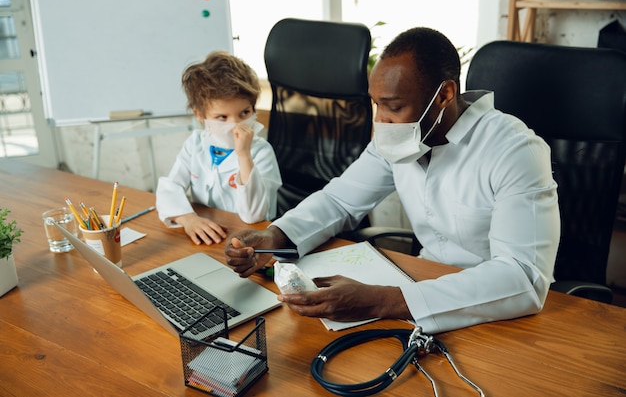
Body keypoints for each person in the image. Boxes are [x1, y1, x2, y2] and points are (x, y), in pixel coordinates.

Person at [224, 27, 560, 333]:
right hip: (420, 289)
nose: (381, 120)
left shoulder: (514, 151)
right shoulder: (401, 136)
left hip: (496, 309)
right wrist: (275, 237)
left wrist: (382, 300)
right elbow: (340, 200)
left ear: (444, 95)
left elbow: (522, 277)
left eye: (394, 106)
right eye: (376, 105)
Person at [156, 51, 281, 246]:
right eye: (222, 117)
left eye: (244, 113)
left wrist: (244, 155)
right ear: (200, 115)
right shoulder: (195, 144)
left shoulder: (261, 152)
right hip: (209, 237)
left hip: (249, 241)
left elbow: (254, 216)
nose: (236, 125)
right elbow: (169, 188)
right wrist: (188, 219)